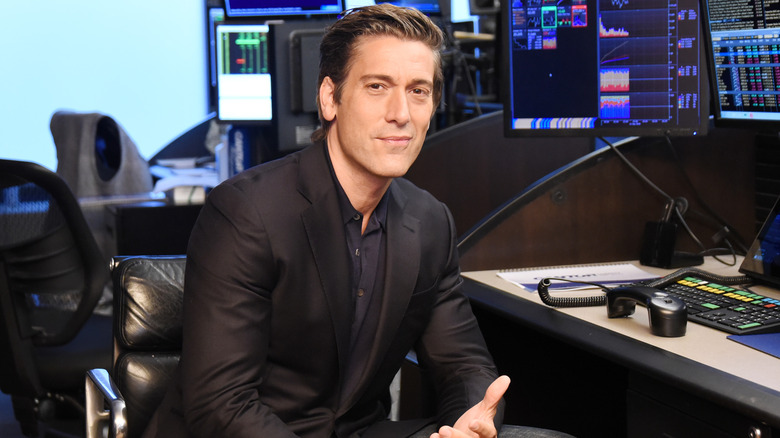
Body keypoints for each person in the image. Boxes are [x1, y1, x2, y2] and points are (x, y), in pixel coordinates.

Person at [142, 4, 571, 438]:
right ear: (330, 98)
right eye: (377, 86)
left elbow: (464, 364)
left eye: (418, 91)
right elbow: (221, 406)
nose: (400, 112)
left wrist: (472, 419)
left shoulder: (429, 221)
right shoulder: (246, 211)